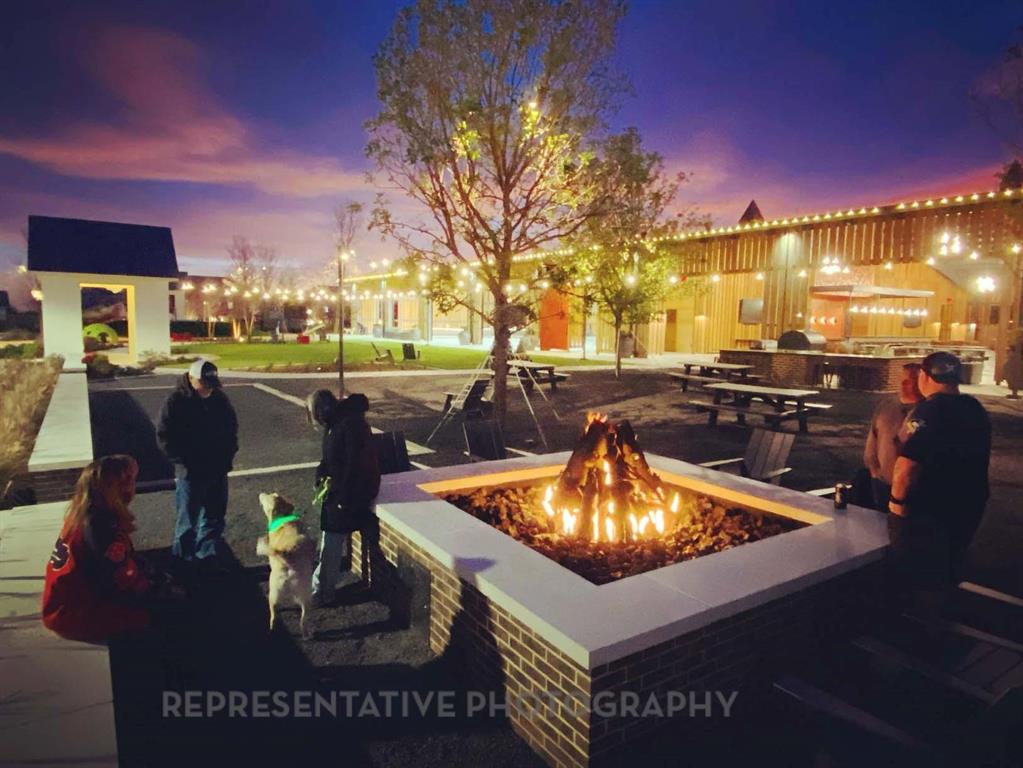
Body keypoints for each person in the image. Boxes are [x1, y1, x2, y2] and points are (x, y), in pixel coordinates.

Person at [42, 455, 180, 643]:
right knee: (165, 611)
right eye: (130, 481)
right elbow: (116, 581)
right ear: (115, 489)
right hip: (72, 612)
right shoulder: (102, 529)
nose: (133, 488)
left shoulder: (84, 513)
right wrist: (157, 589)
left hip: (64, 601)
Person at [888, 352, 992, 594]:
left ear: (924, 376)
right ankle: (942, 619)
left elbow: (907, 466)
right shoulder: (975, 409)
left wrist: (896, 504)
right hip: (969, 504)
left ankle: (917, 622)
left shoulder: (929, 411)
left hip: (931, 508)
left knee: (916, 570)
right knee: (950, 565)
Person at [157, 359, 238, 566]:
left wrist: (227, 456)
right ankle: (183, 563)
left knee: (214, 518)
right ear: (191, 379)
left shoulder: (219, 399)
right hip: (191, 474)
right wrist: (184, 463)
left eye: (212, 384)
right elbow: (164, 436)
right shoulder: (175, 402)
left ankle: (207, 559)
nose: (209, 389)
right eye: (205, 383)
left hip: (217, 470)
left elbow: (231, 428)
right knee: (187, 523)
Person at [307, 390, 380, 605]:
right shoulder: (336, 422)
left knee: (330, 542)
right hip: (344, 489)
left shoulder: (348, 425)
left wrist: (343, 499)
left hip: (352, 492)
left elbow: (355, 464)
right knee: (329, 541)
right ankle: (321, 588)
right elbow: (331, 456)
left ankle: (321, 592)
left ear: (321, 410)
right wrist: (321, 471)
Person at [863, 362, 923, 510]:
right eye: (901, 380)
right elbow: (873, 438)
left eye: (909, 381)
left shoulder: (925, 411)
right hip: (881, 482)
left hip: (909, 489)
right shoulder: (886, 406)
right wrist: (874, 470)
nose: (903, 385)